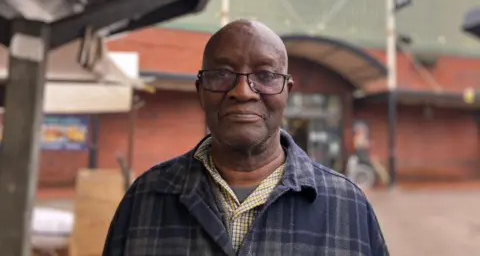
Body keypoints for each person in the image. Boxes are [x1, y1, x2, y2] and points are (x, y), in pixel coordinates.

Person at [103, 19, 389, 256]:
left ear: (287, 91)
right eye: (222, 73)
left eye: (265, 74)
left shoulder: (349, 206)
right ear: (200, 90)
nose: (242, 91)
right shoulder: (145, 198)